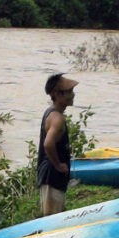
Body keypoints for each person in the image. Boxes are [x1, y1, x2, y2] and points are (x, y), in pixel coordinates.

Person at [38, 73, 78, 216]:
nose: (73, 95)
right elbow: (48, 144)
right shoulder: (57, 118)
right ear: (57, 94)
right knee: (52, 220)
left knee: (55, 215)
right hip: (52, 177)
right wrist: (58, 165)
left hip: (51, 177)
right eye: (69, 92)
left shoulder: (51, 113)